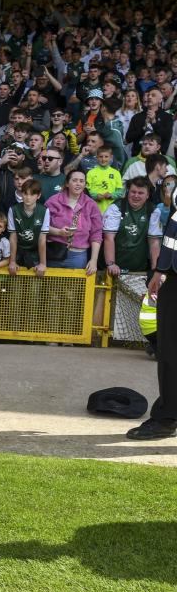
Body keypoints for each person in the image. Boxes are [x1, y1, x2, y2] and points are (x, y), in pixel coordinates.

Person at [129, 183, 177, 440]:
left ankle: (167, 417)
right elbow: (173, 230)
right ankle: (167, 416)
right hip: (173, 272)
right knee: (169, 351)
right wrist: (161, 269)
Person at [45, 169, 103, 273]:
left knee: (74, 289)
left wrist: (94, 260)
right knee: (51, 288)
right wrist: (58, 232)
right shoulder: (53, 201)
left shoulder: (91, 205)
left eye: (81, 181)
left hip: (78, 256)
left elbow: (96, 234)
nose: (78, 184)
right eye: (75, 180)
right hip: (54, 253)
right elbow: (42, 226)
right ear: (67, 183)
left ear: (85, 184)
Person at [103, 177, 155, 276]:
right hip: (112, 269)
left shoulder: (153, 210)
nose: (136, 195)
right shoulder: (115, 207)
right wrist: (111, 264)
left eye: (140, 193)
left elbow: (154, 243)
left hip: (139, 270)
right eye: (133, 192)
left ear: (147, 195)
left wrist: (155, 269)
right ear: (128, 192)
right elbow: (108, 238)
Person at [7, 179, 49, 276]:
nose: (28, 198)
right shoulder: (13, 210)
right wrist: (12, 261)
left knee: (34, 288)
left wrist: (43, 263)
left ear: (38, 196)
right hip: (18, 253)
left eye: (32, 194)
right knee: (15, 288)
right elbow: (13, 237)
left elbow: (42, 238)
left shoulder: (44, 211)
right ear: (22, 194)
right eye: (25, 194)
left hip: (35, 254)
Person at [85, 146, 124, 214]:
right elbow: (86, 190)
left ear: (111, 157)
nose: (103, 159)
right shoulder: (91, 172)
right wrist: (95, 196)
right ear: (97, 157)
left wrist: (111, 195)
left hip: (111, 210)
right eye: (101, 156)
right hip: (94, 209)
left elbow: (120, 192)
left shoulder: (116, 173)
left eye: (106, 156)